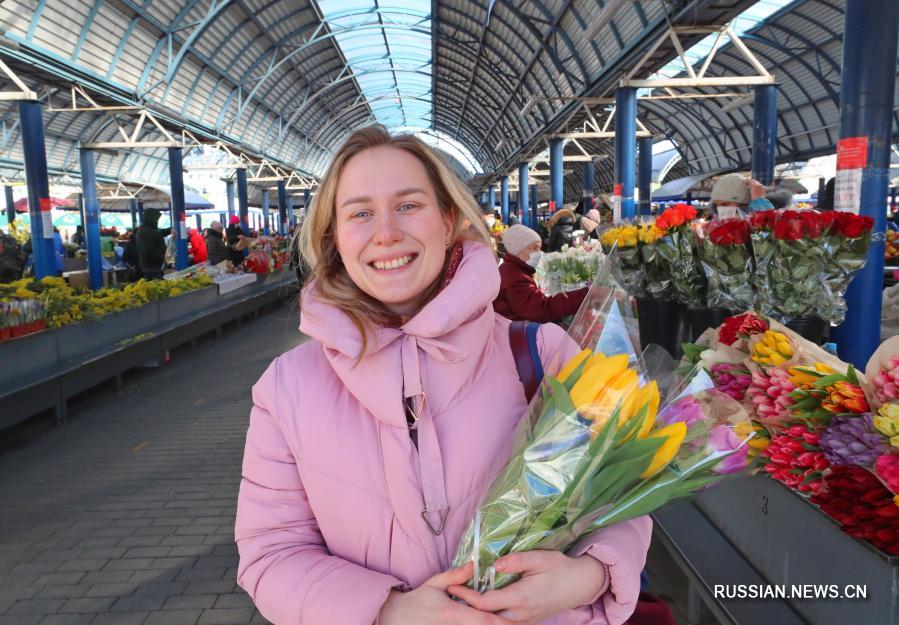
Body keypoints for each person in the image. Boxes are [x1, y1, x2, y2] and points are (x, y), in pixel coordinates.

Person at [235, 125, 650, 625]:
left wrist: (589, 575)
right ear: (335, 238)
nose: (385, 231)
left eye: (409, 205)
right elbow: (271, 552)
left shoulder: (541, 353)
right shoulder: (288, 388)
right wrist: (390, 612)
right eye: (360, 213)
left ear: (448, 219)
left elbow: (622, 495)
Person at [493, 224, 589, 324]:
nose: (539, 253)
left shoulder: (514, 270)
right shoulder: (514, 277)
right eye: (534, 248)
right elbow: (541, 309)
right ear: (517, 249)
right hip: (515, 334)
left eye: (539, 248)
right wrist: (586, 296)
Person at [709, 173, 774, 218]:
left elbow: (764, 235)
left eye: (725, 204)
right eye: (716, 205)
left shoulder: (753, 228)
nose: (719, 210)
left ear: (744, 205)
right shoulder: (719, 228)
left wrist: (759, 202)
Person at [136, 208, 167, 279]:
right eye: (156, 219)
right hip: (151, 267)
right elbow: (147, 251)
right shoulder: (145, 232)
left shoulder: (148, 229)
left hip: (153, 266)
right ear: (152, 218)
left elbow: (158, 233)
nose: (157, 221)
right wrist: (163, 258)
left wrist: (170, 230)